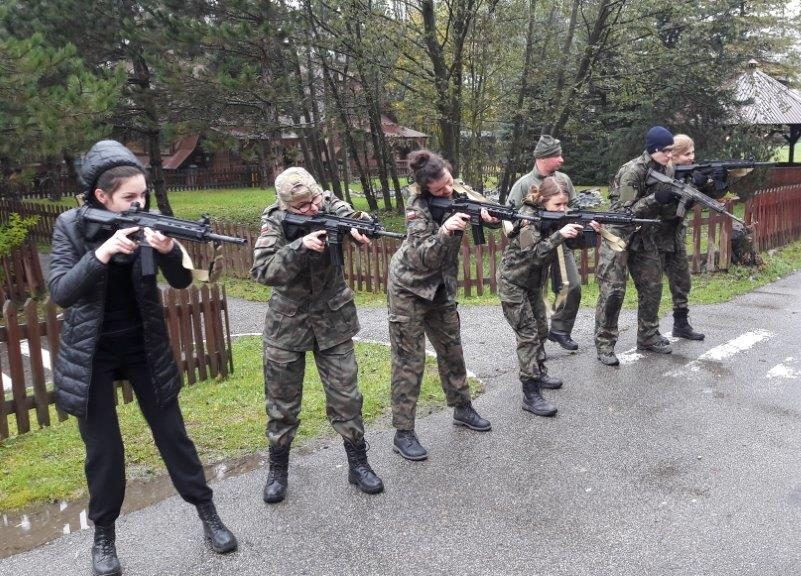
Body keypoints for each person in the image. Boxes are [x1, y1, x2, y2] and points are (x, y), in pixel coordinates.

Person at [49, 140, 236, 576]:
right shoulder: (71, 226)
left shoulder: (149, 223)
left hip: (143, 346)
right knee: (104, 452)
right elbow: (61, 291)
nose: (139, 204)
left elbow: (182, 282)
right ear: (101, 196)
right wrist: (103, 253)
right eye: (129, 197)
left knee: (174, 436)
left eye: (143, 195)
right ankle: (104, 536)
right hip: (91, 354)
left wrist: (167, 250)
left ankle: (208, 514)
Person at [251, 167, 383, 502]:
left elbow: (350, 215)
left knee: (346, 397)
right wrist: (299, 247)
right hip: (287, 324)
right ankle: (277, 470)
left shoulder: (328, 204)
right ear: (286, 206)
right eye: (302, 206)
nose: (312, 208)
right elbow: (263, 271)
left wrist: (361, 225)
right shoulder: (274, 222)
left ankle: (358, 463)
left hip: (333, 320)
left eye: (313, 201)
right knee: (282, 403)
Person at [387, 150, 495, 461]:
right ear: (425, 189)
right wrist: (446, 230)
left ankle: (462, 407)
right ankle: (403, 432)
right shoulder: (416, 208)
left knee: (451, 348)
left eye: (448, 182)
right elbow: (425, 256)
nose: (448, 190)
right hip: (409, 288)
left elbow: (484, 211)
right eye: (439, 189)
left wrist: (489, 217)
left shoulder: (457, 190)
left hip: (440, 287)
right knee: (409, 360)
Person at [498, 177, 600, 416]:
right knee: (528, 335)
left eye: (565, 204)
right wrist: (560, 234)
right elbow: (533, 256)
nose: (563, 209)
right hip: (513, 283)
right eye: (557, 205)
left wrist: (588, 231)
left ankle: (539, 372)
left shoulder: (554, 217)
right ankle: (531, 393)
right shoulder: (528, 220)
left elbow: (571, 244)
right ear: (542, 201)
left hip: (533, 283)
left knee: (542, 330)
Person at [594, 126, 681, 366]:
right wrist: (655, 198)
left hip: (644, 235)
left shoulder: (667, 170)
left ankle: (648, 335)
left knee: (653, 285)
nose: (670, 155)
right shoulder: (632, 171)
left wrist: (678, 199)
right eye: (666, 151)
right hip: (618, 233)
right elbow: (624, 212)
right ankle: (604, 343)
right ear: (654, 149)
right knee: (613, 291)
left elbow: (666, 210)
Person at [507, 135, 582, 351]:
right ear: (542, 157)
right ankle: (535, 344)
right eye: (556, 155)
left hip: (561, 241)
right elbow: (510, 216)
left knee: (572, 286)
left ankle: (559, 329)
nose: (561, 160)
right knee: (535, 296)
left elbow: (575, 206)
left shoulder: (563, 179)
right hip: (534, 248)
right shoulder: (523, 184)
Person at [663, 134, 705, 341]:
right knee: (651, 287)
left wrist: (703, 183)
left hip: (675, 235)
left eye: (693, 152)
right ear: (674, 155)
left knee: (682, 280)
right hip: (655, 237)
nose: (692, 157)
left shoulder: (686, 174)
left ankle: (681, 324)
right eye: (687, 154)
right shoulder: (663, 174)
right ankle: (647, 332)